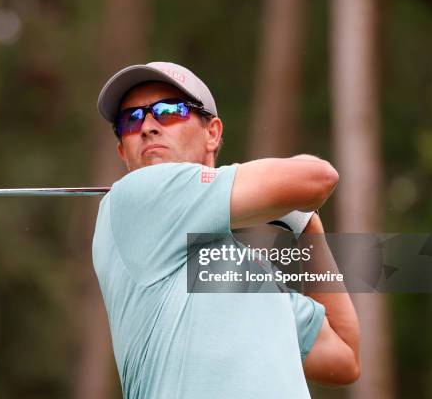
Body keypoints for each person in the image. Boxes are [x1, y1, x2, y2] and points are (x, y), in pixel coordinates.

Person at [92, 62, 360, 398]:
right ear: (122, 153)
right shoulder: (134, 197)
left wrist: (308, 226)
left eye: (169, 111)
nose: (147, 126)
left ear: (213, 133)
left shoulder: (249, 274)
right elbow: (318, 177)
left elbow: (344, 356)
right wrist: (296, 203)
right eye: (130, 119)